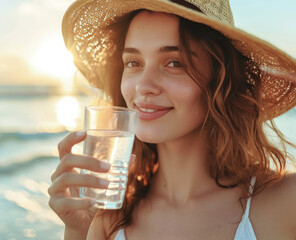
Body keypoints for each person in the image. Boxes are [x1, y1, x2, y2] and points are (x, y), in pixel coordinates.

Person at [48, 0, 296, 239]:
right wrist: (80, 231)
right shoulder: (108, 218)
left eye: (174, 63)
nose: (144, 86)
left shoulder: (286, 202)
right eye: (133, 62)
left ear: (221, 80)